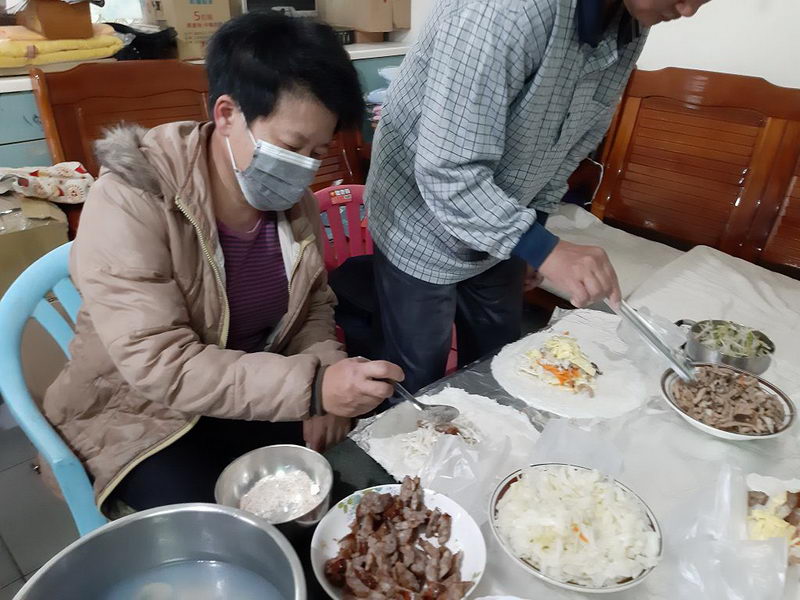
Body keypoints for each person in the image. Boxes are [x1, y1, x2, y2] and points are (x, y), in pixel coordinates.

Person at [43, 12, 403, 513]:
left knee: (362, 477)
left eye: (318, 151)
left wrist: (327, 371)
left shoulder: (291, 200)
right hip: (141, 412)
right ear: (228, 113)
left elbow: (313, 306)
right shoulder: (132, 196)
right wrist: (314, 388)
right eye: (291, 146)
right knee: (226, 530)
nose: (304, 168)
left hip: (251, 385)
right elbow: (160, 363)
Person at [366, 0, 711, 393]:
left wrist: (535, 235)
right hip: (420, 222)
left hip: (505, 218)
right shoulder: (505, 11)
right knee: (418, 382)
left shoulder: (631, 21)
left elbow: (569, 143)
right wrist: (542, 248)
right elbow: (447, 171)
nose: (688, 10)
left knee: (501, 363)